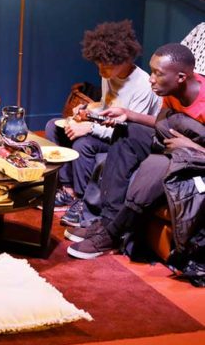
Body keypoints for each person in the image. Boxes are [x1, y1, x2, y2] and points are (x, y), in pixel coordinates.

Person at [66, 43, 205, 260]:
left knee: (157, 164)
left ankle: (113, 234)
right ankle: (107, 221)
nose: (151, 79)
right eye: (152, 71)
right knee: (127, 131)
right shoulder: (173, 89)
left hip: (196, 158)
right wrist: (128, 114)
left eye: (158, 74)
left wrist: (191, 146)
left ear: (180, 77)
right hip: (176, 144)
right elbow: (160, 123)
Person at [46, 20, 161, 226]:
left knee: (84, 144)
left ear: (125, 59)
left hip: (126, 140)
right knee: (54, 126)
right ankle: (68, 190)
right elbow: (106, 107)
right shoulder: (109, 75)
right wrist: (87, 112)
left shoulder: (143, 86)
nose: (101, 71)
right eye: (98, 65)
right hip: (108, 128)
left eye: (106, 67)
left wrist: (90, 127)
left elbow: (130, 131)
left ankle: (83, 200)